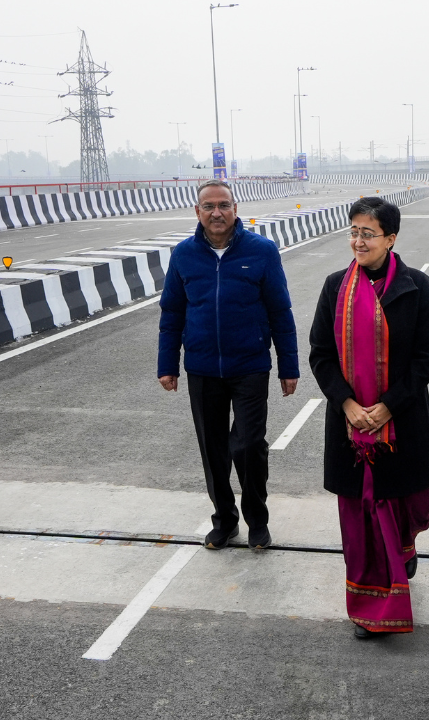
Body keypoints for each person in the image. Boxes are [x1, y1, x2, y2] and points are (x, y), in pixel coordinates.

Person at [308, 197, 429, 639]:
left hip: (400, 423)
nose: (358, 241)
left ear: (391, 238)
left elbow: (426, 357)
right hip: (350, 429)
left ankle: (404, 552)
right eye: (354, 232)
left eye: (368, 233)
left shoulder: (416, 287)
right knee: (361, 516)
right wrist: (348, 405)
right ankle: (371, 608)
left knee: (404, 504)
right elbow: (321, 355)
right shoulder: (334, 287)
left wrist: (386, 406)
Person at [158, 179, 299, 551]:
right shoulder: (184, 254)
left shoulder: (262, 251)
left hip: (250, 365)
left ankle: (258, 520)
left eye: (223, 205)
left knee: (249, 445)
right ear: (198, 211)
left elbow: (279, 311)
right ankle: (224, 520)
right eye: (209, 206)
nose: (217, 213)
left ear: (236, 209)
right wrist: (167, 364)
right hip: (202, 368)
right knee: (213, 448)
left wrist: (289, 366)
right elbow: (172, 312)